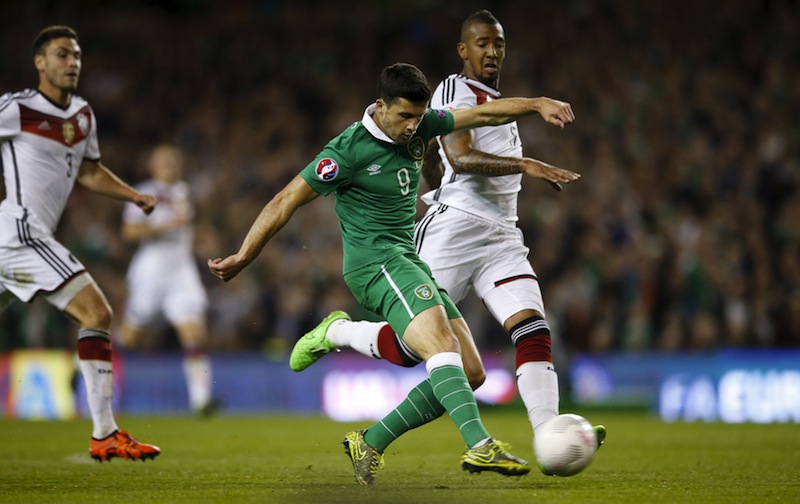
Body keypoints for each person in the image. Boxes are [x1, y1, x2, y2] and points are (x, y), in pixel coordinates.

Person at [209, 61, 578, 484]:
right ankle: (480, 445)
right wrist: (243, 255)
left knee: (472, 372)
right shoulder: (346, 151)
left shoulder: (421, 125)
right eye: (404, 116)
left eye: (419, 117)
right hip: (374, 265)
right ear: (381, 106)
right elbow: (284, 200)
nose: (412, 127)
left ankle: (369, 436)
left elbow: (484, 114)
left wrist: (536, 104)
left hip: (406, 259)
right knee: (440, 344)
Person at [288, 10, 605, 474]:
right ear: (463, 50)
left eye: (498, 43)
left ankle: (551, 437)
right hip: (454, 226)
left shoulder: (497, 99)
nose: (491, 51)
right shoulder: (454, 90)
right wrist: (527, 164)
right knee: (418, 347)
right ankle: (336, 332)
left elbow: (441, 158)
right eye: (481, 43)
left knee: (532, 331)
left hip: (502, 233)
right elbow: (461, 155)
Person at [0, 25, 160, 462]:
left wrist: (133, 195)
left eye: (76, 56)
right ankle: (105, 433)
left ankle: (105, 433)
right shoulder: (16, 108)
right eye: (61, 55)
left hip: (17, 239)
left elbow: (90, 171)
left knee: (95, 313)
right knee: (98, 312)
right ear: (40, 62)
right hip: (21, 231)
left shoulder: (82, 115)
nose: (71, 63)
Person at [118, 143, 218, 417]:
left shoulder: (184, 192)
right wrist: (165, 226)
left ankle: (201, 401)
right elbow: (128, 231)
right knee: (130, 338)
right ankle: (82, 364)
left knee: (195, 334)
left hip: (181, 273)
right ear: (152, 165)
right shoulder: (142, 191)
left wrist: (202, 239)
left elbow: (187, 230)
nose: (170, 164)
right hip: (150, 273)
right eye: (164, 160)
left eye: (174, 159)